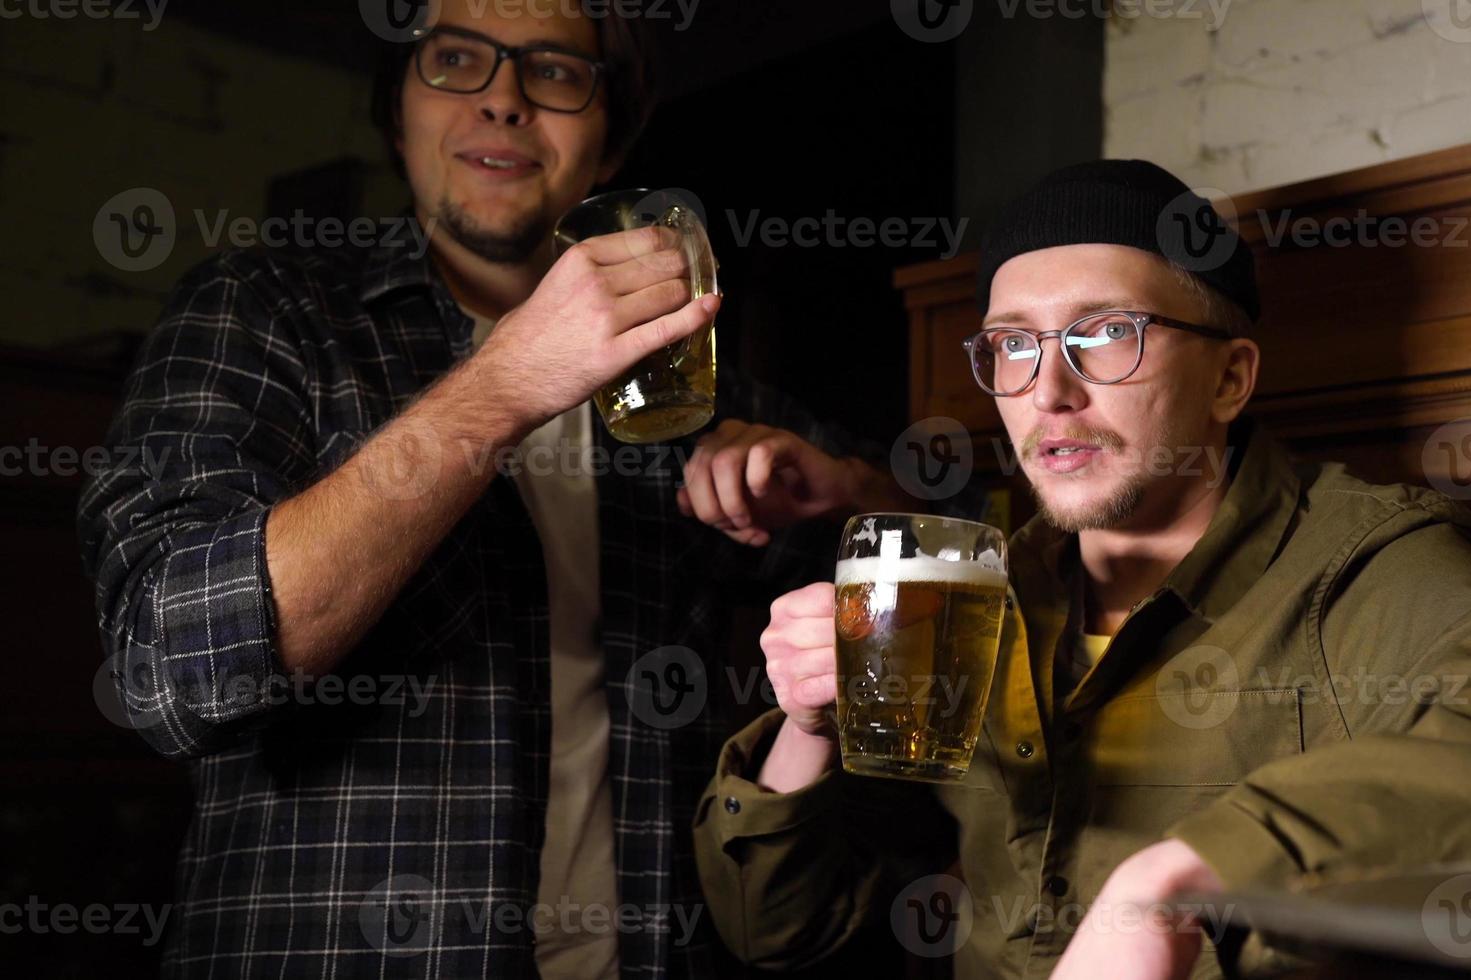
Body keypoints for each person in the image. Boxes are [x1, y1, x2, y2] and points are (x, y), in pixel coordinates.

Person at [690, 160, 1471, 980]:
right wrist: (805, 729)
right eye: (1011, 346)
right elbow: (776, 934)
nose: (1047, 390)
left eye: (1106, 336)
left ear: (1228, 376)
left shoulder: (1354, 562)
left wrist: (1176, 875)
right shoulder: (980, 591)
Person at [76, 4, 907, 977]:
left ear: (609, 145)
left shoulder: (678, 369)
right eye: (456, 60)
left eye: (553, 71)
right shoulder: (259, 312)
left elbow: (944, 543)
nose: (503, 99)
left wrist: (833, 489)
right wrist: (504, 385)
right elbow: (170, 668)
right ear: (398, 117)